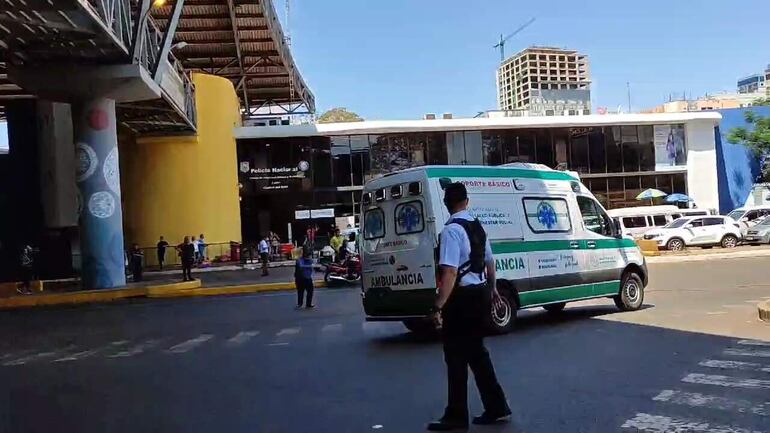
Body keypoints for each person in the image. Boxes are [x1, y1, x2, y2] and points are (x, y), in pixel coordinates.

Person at [427, 182, 511, 431]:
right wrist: (493, 289)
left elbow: (450, 272)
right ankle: (497, 406)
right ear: (467, 201)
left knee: (455, 356)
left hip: (461, 299)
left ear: (446, 204)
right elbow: (490, 262)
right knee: (477, 353)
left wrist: (438, 305)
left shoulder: (452, 230)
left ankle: (456, 415)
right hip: (480, 294)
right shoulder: (477, 226)